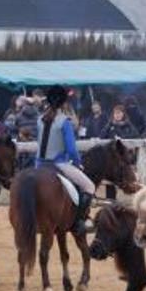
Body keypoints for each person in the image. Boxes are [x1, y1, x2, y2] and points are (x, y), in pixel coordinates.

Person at [35, 85, 97, 235]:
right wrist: (77, 163)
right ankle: (79, 222)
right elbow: (71, 149)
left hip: (38, 165)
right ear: (64, 103)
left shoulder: (39, 120)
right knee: (89, 186)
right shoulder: (64, 122)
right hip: (58, 164)